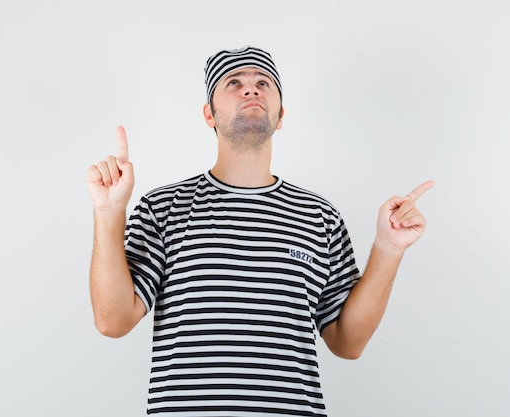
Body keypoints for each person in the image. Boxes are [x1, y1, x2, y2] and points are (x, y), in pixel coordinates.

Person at [87, 45, 434, 416]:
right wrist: (110, 213)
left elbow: (347, 343)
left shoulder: (319, 216)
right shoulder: (163, 208)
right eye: (233, 82)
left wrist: (388, 248)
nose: (250, 89)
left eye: (263, 82)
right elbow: (113, 321)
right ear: (209, 115)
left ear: (280, 115)